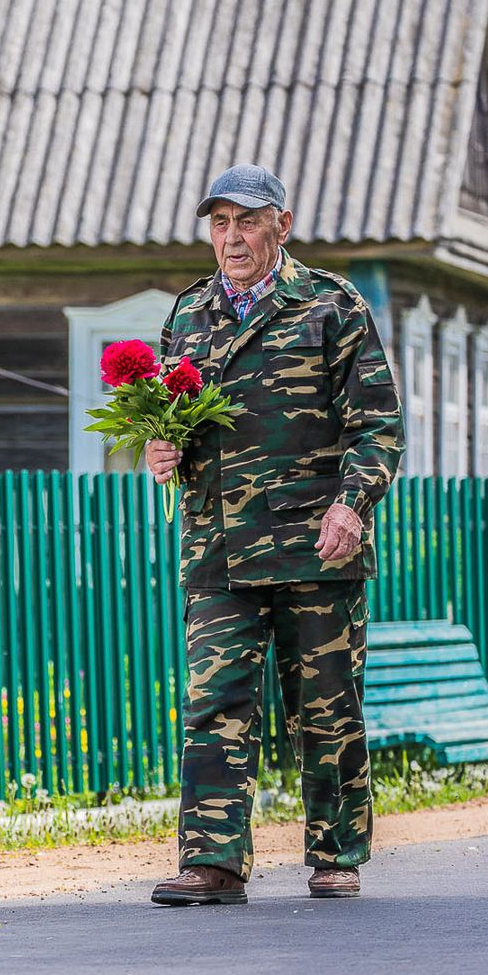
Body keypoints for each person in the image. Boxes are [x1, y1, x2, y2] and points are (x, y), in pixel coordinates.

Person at [146, 163, 405, 905]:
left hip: (317, 548)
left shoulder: (330, 306)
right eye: (219, 223)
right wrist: (160, 450)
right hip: (219, 550)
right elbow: (174, 424)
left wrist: (352, 505)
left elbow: (378, 426)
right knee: (214, 704)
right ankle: (214, 863)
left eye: (246, 221)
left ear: (281, 226)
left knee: (324, 705)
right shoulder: (189, 314)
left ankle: (335, 852)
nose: (231, 237)